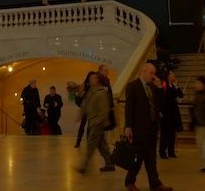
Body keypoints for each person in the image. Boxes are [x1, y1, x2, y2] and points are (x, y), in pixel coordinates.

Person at [124, 63, 173, 191]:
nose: (153, 76)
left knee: (151, 158)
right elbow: (129, 108)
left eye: (154, 73)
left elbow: (159, 103)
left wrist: (158, 88)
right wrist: (128, 126)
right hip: (139, 128)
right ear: (144, 72)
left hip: (152, 127)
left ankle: (155, 184)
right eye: (151, 73)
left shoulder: (152, 86)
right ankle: (130, 181)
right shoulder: (133, 86)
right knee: (137, 158)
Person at [76, 72, 115, 173]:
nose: (91, 80)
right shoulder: (91, 92)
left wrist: (98, 122)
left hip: (97, 123)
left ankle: (84, 166)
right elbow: (86, 105)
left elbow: (104, 110)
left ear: (97, 80)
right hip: (93, 122)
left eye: (93, 78)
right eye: (90, 78)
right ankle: (110, 162)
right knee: (101, 144)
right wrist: (80, 114)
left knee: (91, 144)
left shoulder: (101, 93)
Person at [159, 70, 184, 159]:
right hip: (165, 113)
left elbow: (181, 95)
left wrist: (176, 86)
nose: (173, 75)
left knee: (172, 133)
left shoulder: (173, 85)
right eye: (170, 73)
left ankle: (171, 151)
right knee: (165, 133)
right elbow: (160, 98)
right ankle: (162, 152)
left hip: (173, 113)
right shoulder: (164, 84)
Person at [74, 71, 95, 147]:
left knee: (90, 125)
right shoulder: (84, 85)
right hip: (85, 107)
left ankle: (89, 141)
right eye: (91, 78)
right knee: (82, 124)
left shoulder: (95, 86)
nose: (93, 79)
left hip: (92, 107)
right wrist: (80, 96)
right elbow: (78, 97)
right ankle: (78, 141)